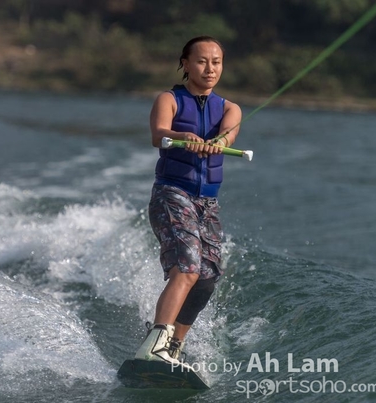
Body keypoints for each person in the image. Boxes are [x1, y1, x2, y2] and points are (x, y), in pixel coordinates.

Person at [134, 36, 242, 366]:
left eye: (217, 62)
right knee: (188, 266)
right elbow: (159, 135)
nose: (210, 68)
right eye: (202, 61)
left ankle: (173, 347)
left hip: (206, 203)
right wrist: (185, 138)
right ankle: (156, 342)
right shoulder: (169, 99)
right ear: (185, 63)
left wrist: (217, 142)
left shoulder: (230, 108)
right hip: (171, 194)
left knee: (207, 279)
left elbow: (229, 134)